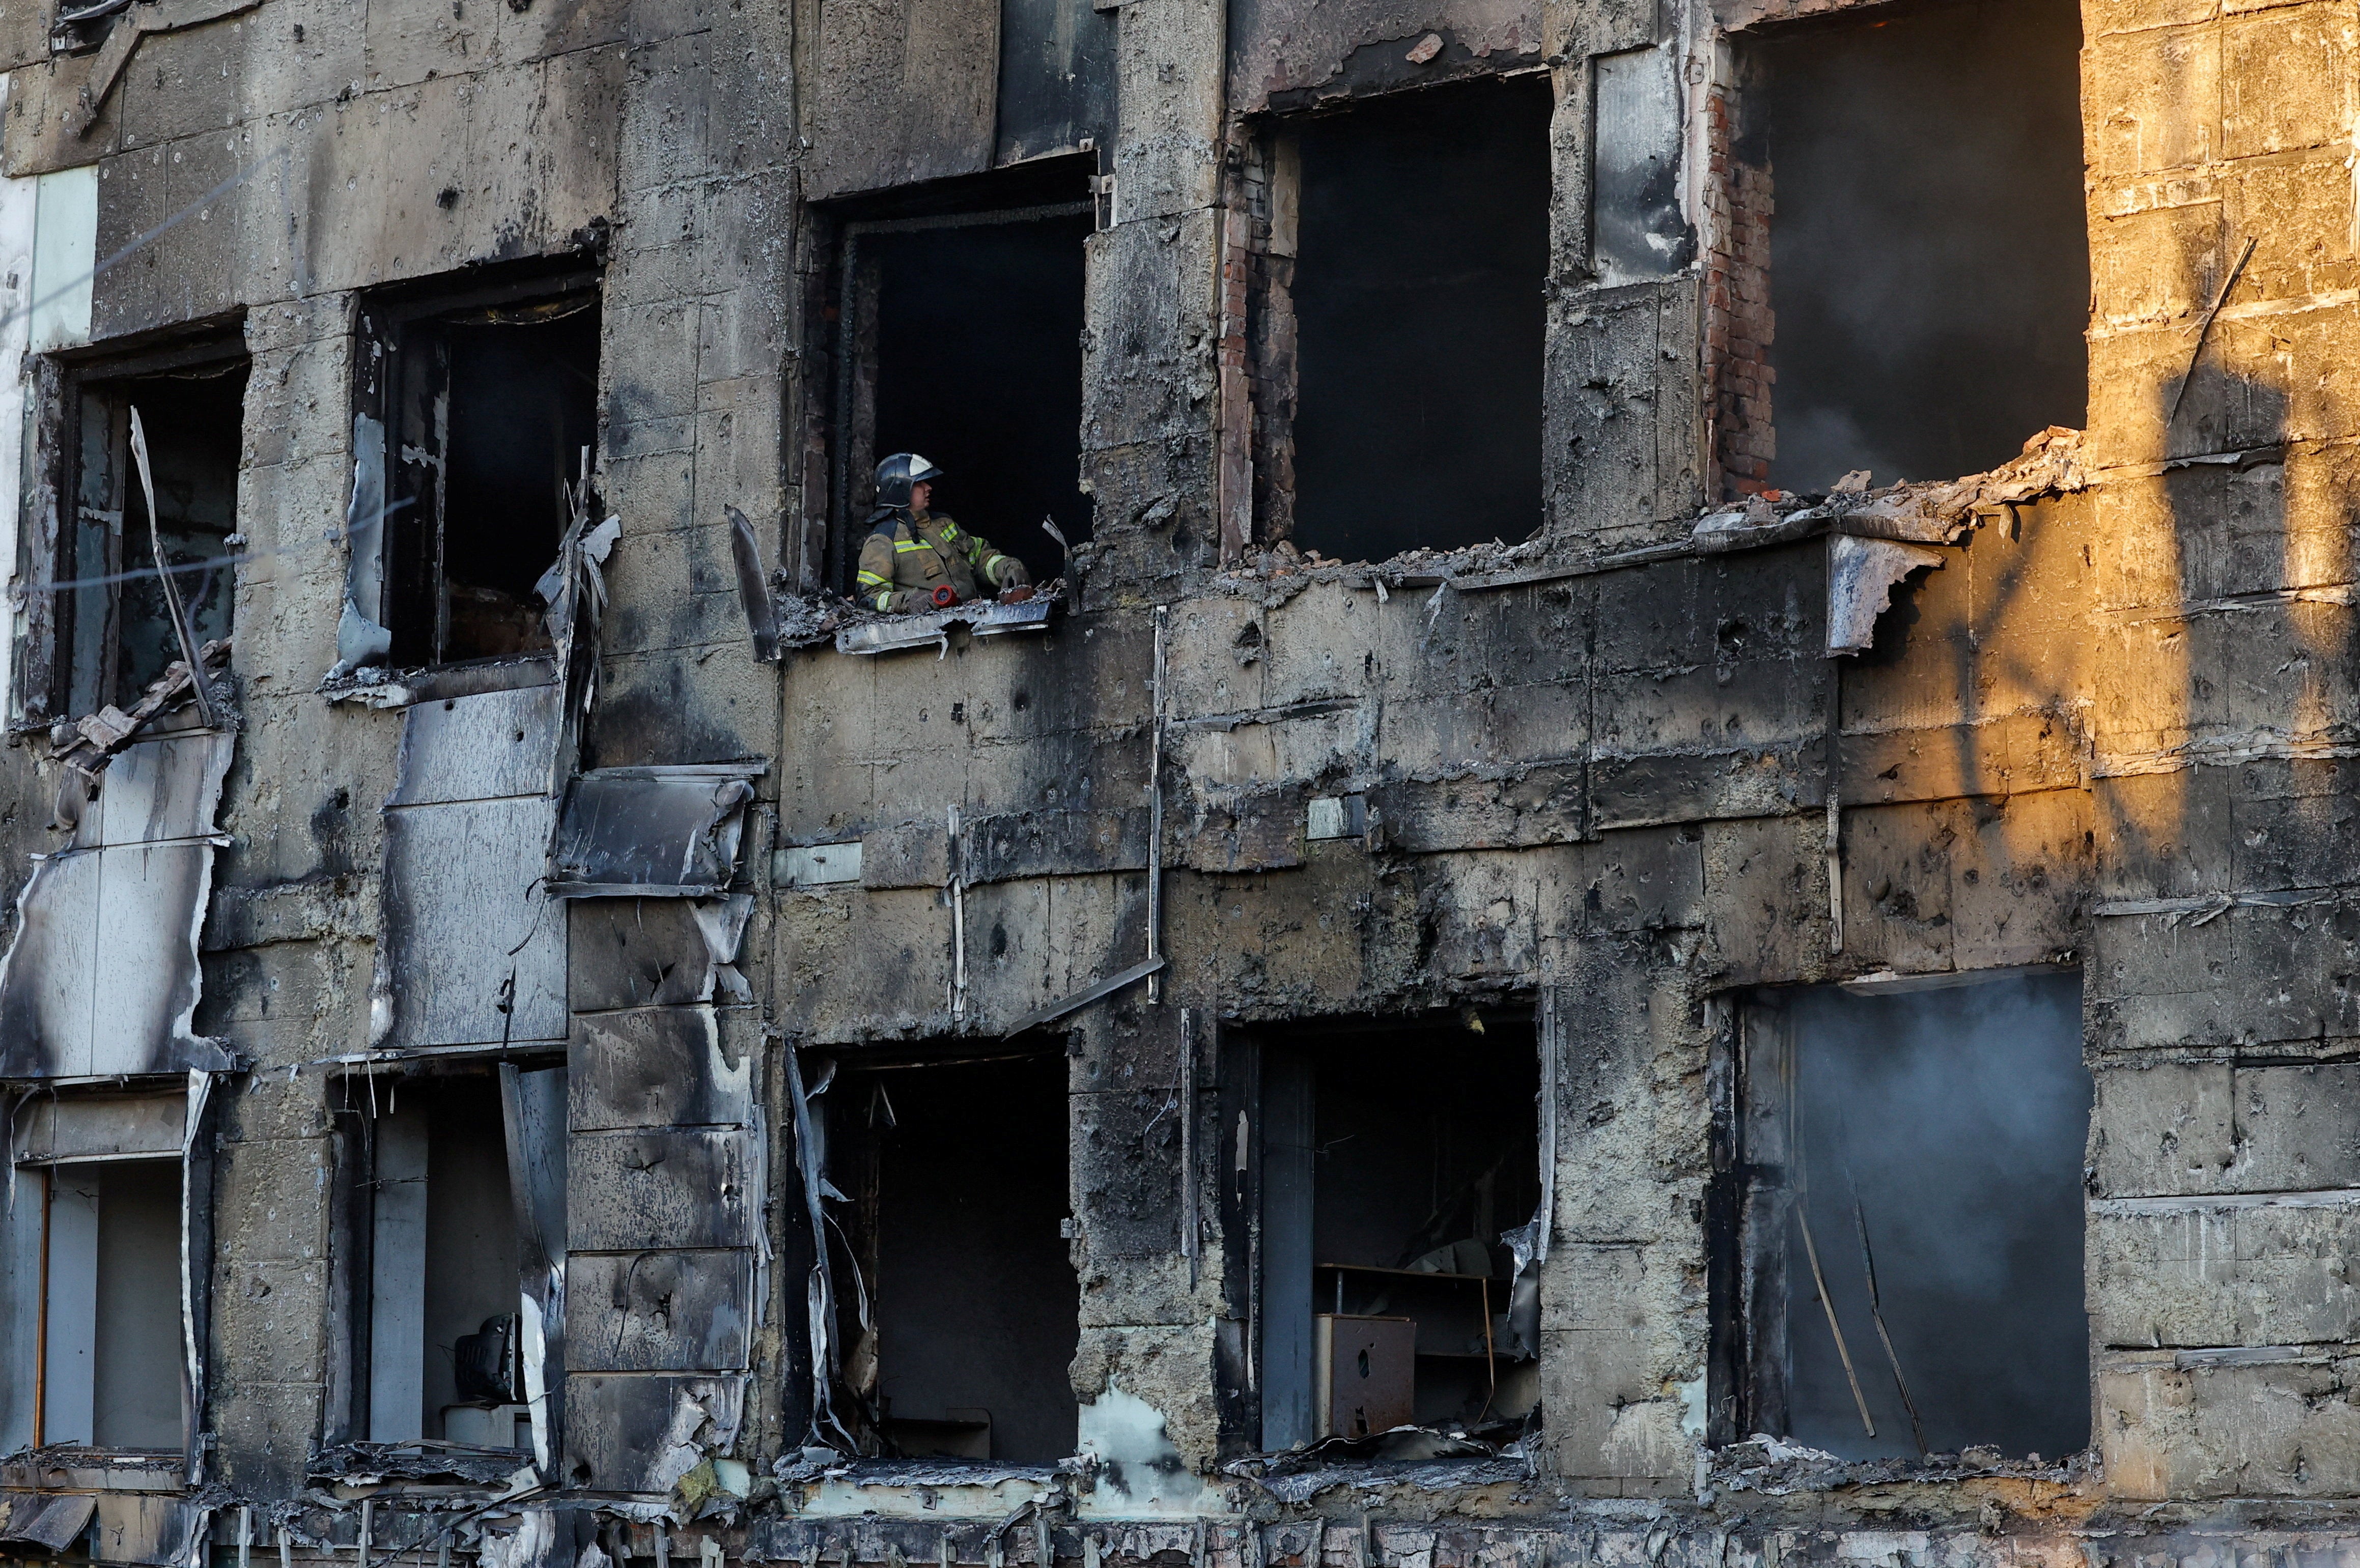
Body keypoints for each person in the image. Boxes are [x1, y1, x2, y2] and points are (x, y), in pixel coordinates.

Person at [856, 453, 1033, 614]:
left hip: (972, 618)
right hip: (929, 635)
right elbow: (869, 596)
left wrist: (1007, 568)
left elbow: (979, 558)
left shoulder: (943, 524)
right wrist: (908, 601)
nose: (928, 488)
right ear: (899, 491)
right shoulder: (883, 540)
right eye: (919, 484)